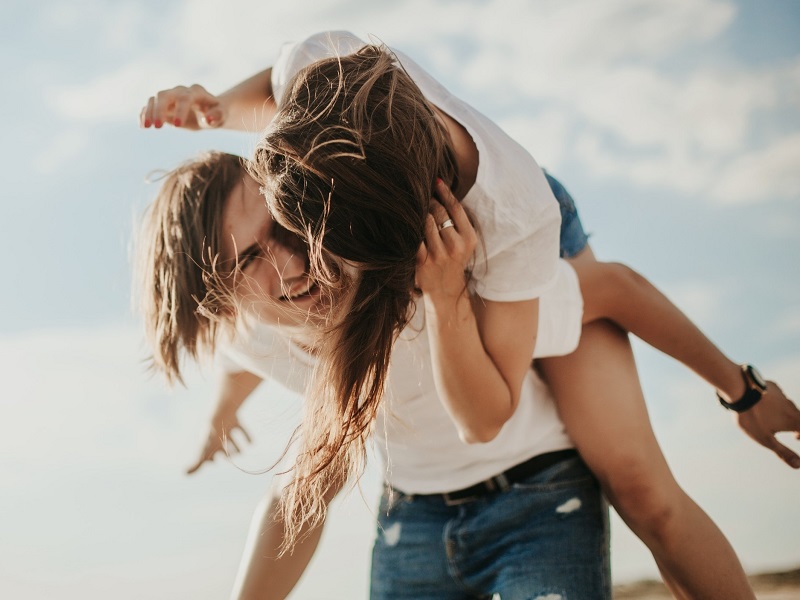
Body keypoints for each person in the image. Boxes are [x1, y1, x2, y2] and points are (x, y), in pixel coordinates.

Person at [138, 32, 800, 599]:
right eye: (249, 259)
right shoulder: (318, 88)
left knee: (640, 488)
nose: (290, 267)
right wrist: (220, 108)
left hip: (502, 229)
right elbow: (250, 361)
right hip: (387, 166)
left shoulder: (475, 246)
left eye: (284, 234)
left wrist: (743, 392)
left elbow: (604, 300)